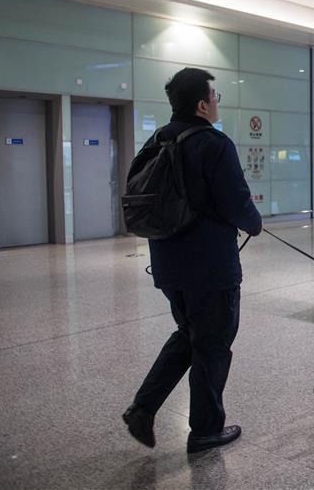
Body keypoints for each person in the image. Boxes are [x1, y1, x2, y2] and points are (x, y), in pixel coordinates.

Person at [123, 68, 262, 454]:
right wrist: (256, 224)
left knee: (191, 335)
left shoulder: (157, 140)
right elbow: (238, 203)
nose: (218, 102)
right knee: (213, 345)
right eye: (215, 96)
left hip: (169, 266)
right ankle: (204, 430)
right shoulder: (214, 144)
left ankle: (143, 408)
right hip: (211, 269)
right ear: (202, 104)